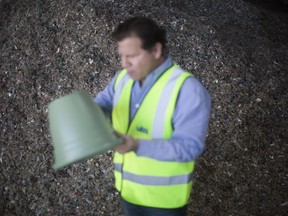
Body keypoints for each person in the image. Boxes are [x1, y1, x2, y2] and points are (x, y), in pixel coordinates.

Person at [94, 17, 211, 216]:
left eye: (131, 56)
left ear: (156, 50)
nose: (124, 64)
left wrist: (137, 145)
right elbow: (102, 103)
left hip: (163, 203)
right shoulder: (122, 79)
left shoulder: (187, 89)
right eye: (121, 56)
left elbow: (189, 147)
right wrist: (85, 112)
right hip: (129, 193)